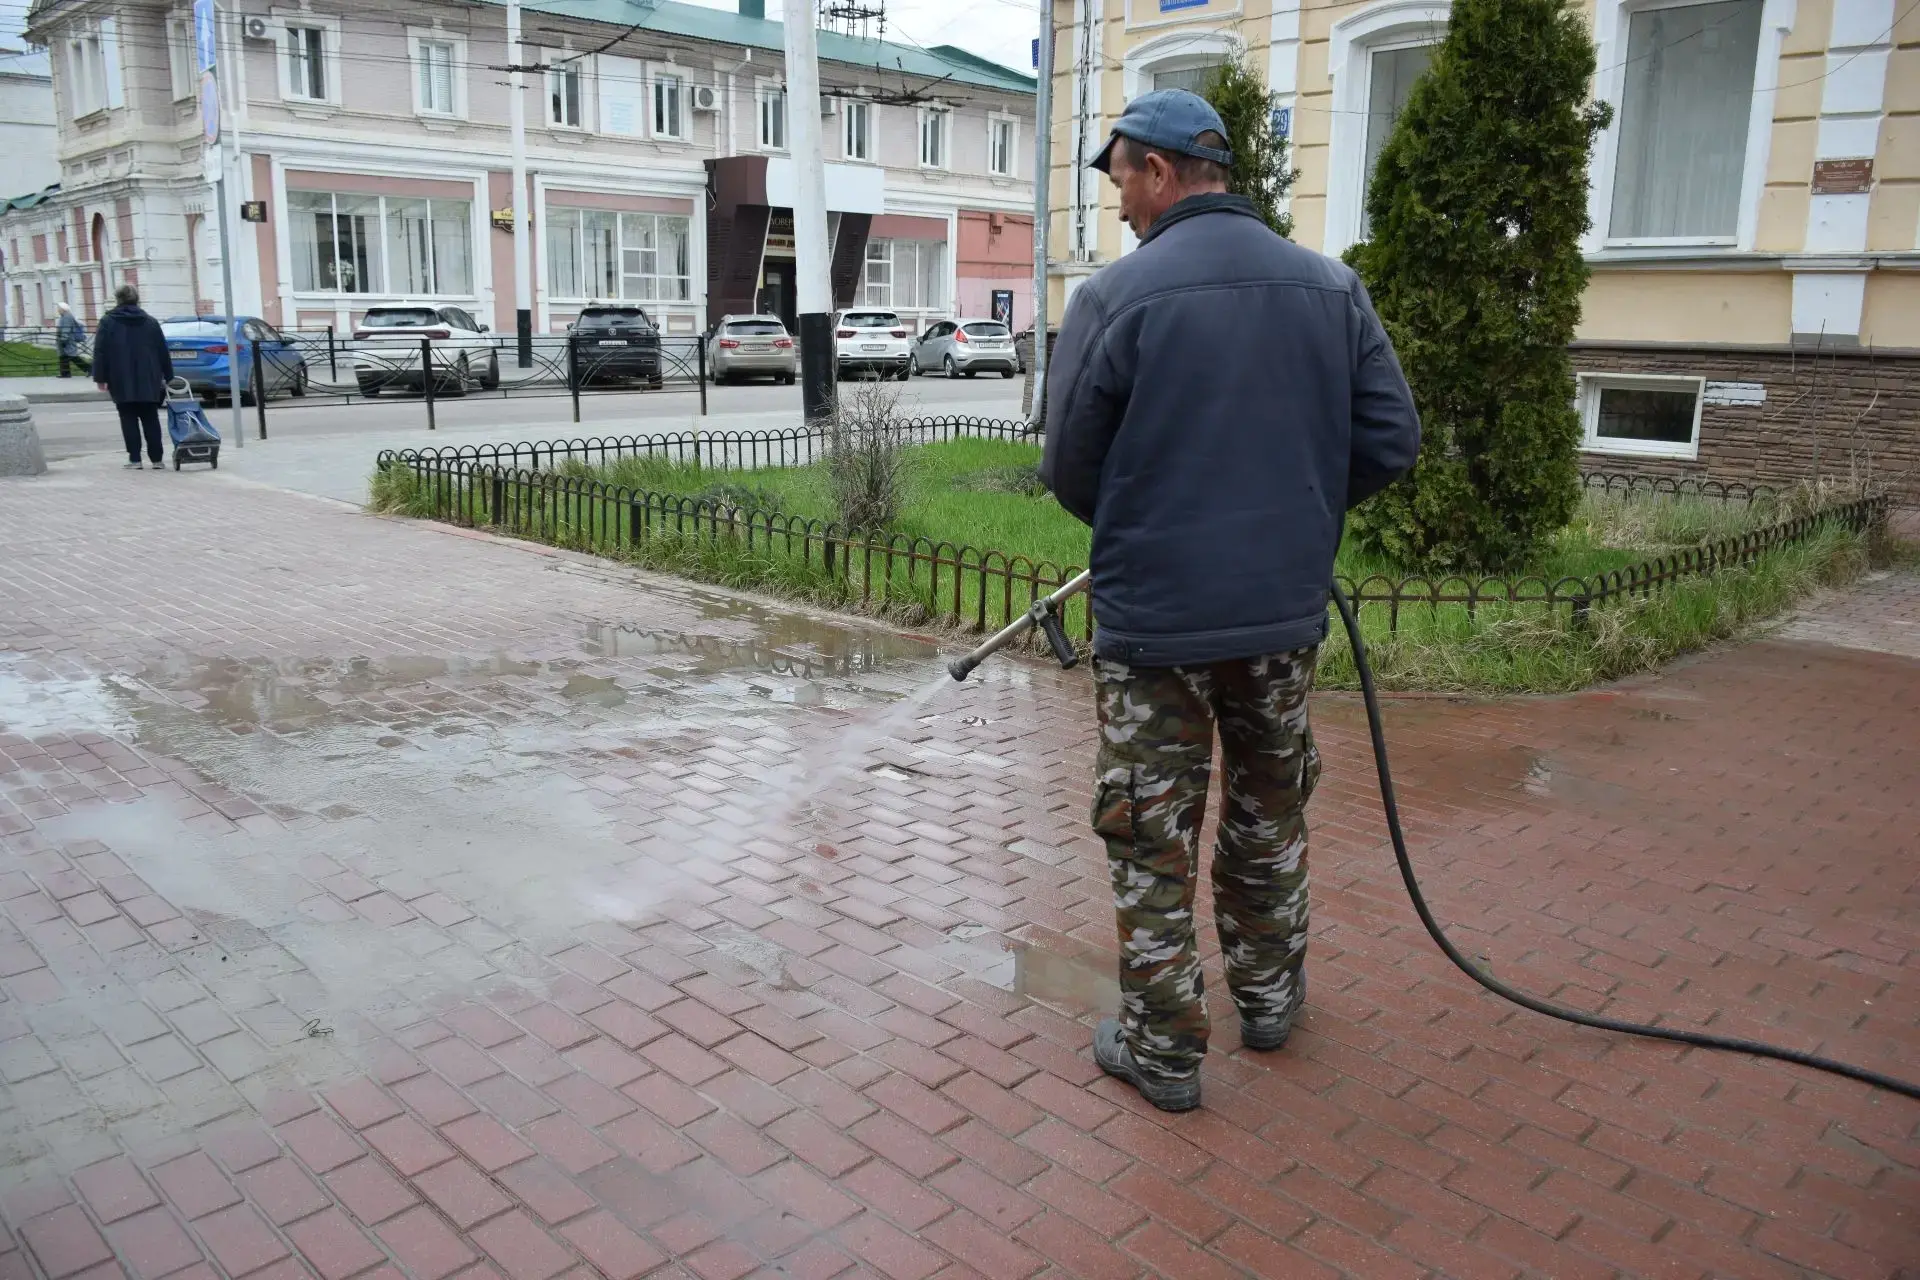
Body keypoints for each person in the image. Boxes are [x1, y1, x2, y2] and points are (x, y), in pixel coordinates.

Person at [1039, 90, 1422, 1112]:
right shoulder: (1330, 287)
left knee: (1149, 834)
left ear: (1161, 171)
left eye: (1122, 179)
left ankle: (1164, 1053)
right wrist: (1291, 511)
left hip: (1155, 627)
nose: (1120, 202)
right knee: (1268, 811)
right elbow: (1391, 440)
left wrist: (1159, 520)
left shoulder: (1115, 298)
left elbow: (1069, 467)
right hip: (1279, 619)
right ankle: (1268, 1001)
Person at [92, 284, 173, 470]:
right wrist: (169, 376)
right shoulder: (150, 322)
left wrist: (100, 377)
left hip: (120, 377)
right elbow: (163, 351)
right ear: (137, 299)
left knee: (127, 417)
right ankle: (157, 459)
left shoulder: (108, 322)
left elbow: (100, 351)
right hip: (149, 377)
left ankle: (135, 459)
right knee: (150, 417)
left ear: (118, 299)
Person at [55, 300, 89, 378]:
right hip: (65, 339)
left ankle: (89, 369)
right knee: (63, 356)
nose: (58, 310)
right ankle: (65, 373)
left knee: (72, 357)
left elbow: (66, 329)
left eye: (59, 308)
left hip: (67, 340)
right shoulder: (64, 316)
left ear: (63, 309)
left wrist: (63, 340)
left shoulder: (67, 317)